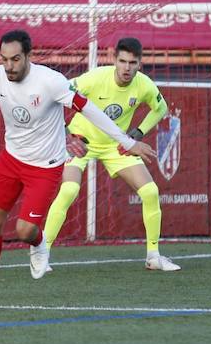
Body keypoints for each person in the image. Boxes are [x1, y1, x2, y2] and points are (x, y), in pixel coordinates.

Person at [0, 30, 157, 302]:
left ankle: (39, 241)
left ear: (29, 57)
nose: (9, 66)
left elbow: (89, 109)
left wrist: (127, 142)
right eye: (5, 59)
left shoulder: (51, 81)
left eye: (15, 59)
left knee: (24, 231)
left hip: (45, 166)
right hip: (11, 159)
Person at [42, 37, 180, 273]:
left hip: (116, 146)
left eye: (132, 62)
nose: (127, 67)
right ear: (114, 60)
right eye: (123, 61)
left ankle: (153, 256)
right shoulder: (95, 78)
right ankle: (41, 254)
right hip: (80, 142)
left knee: (150, 191)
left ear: (140, 64)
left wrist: (137, 133)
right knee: (69, 189)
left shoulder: (144, 85)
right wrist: (65, 133)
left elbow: (161, 108)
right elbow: (56, 94)